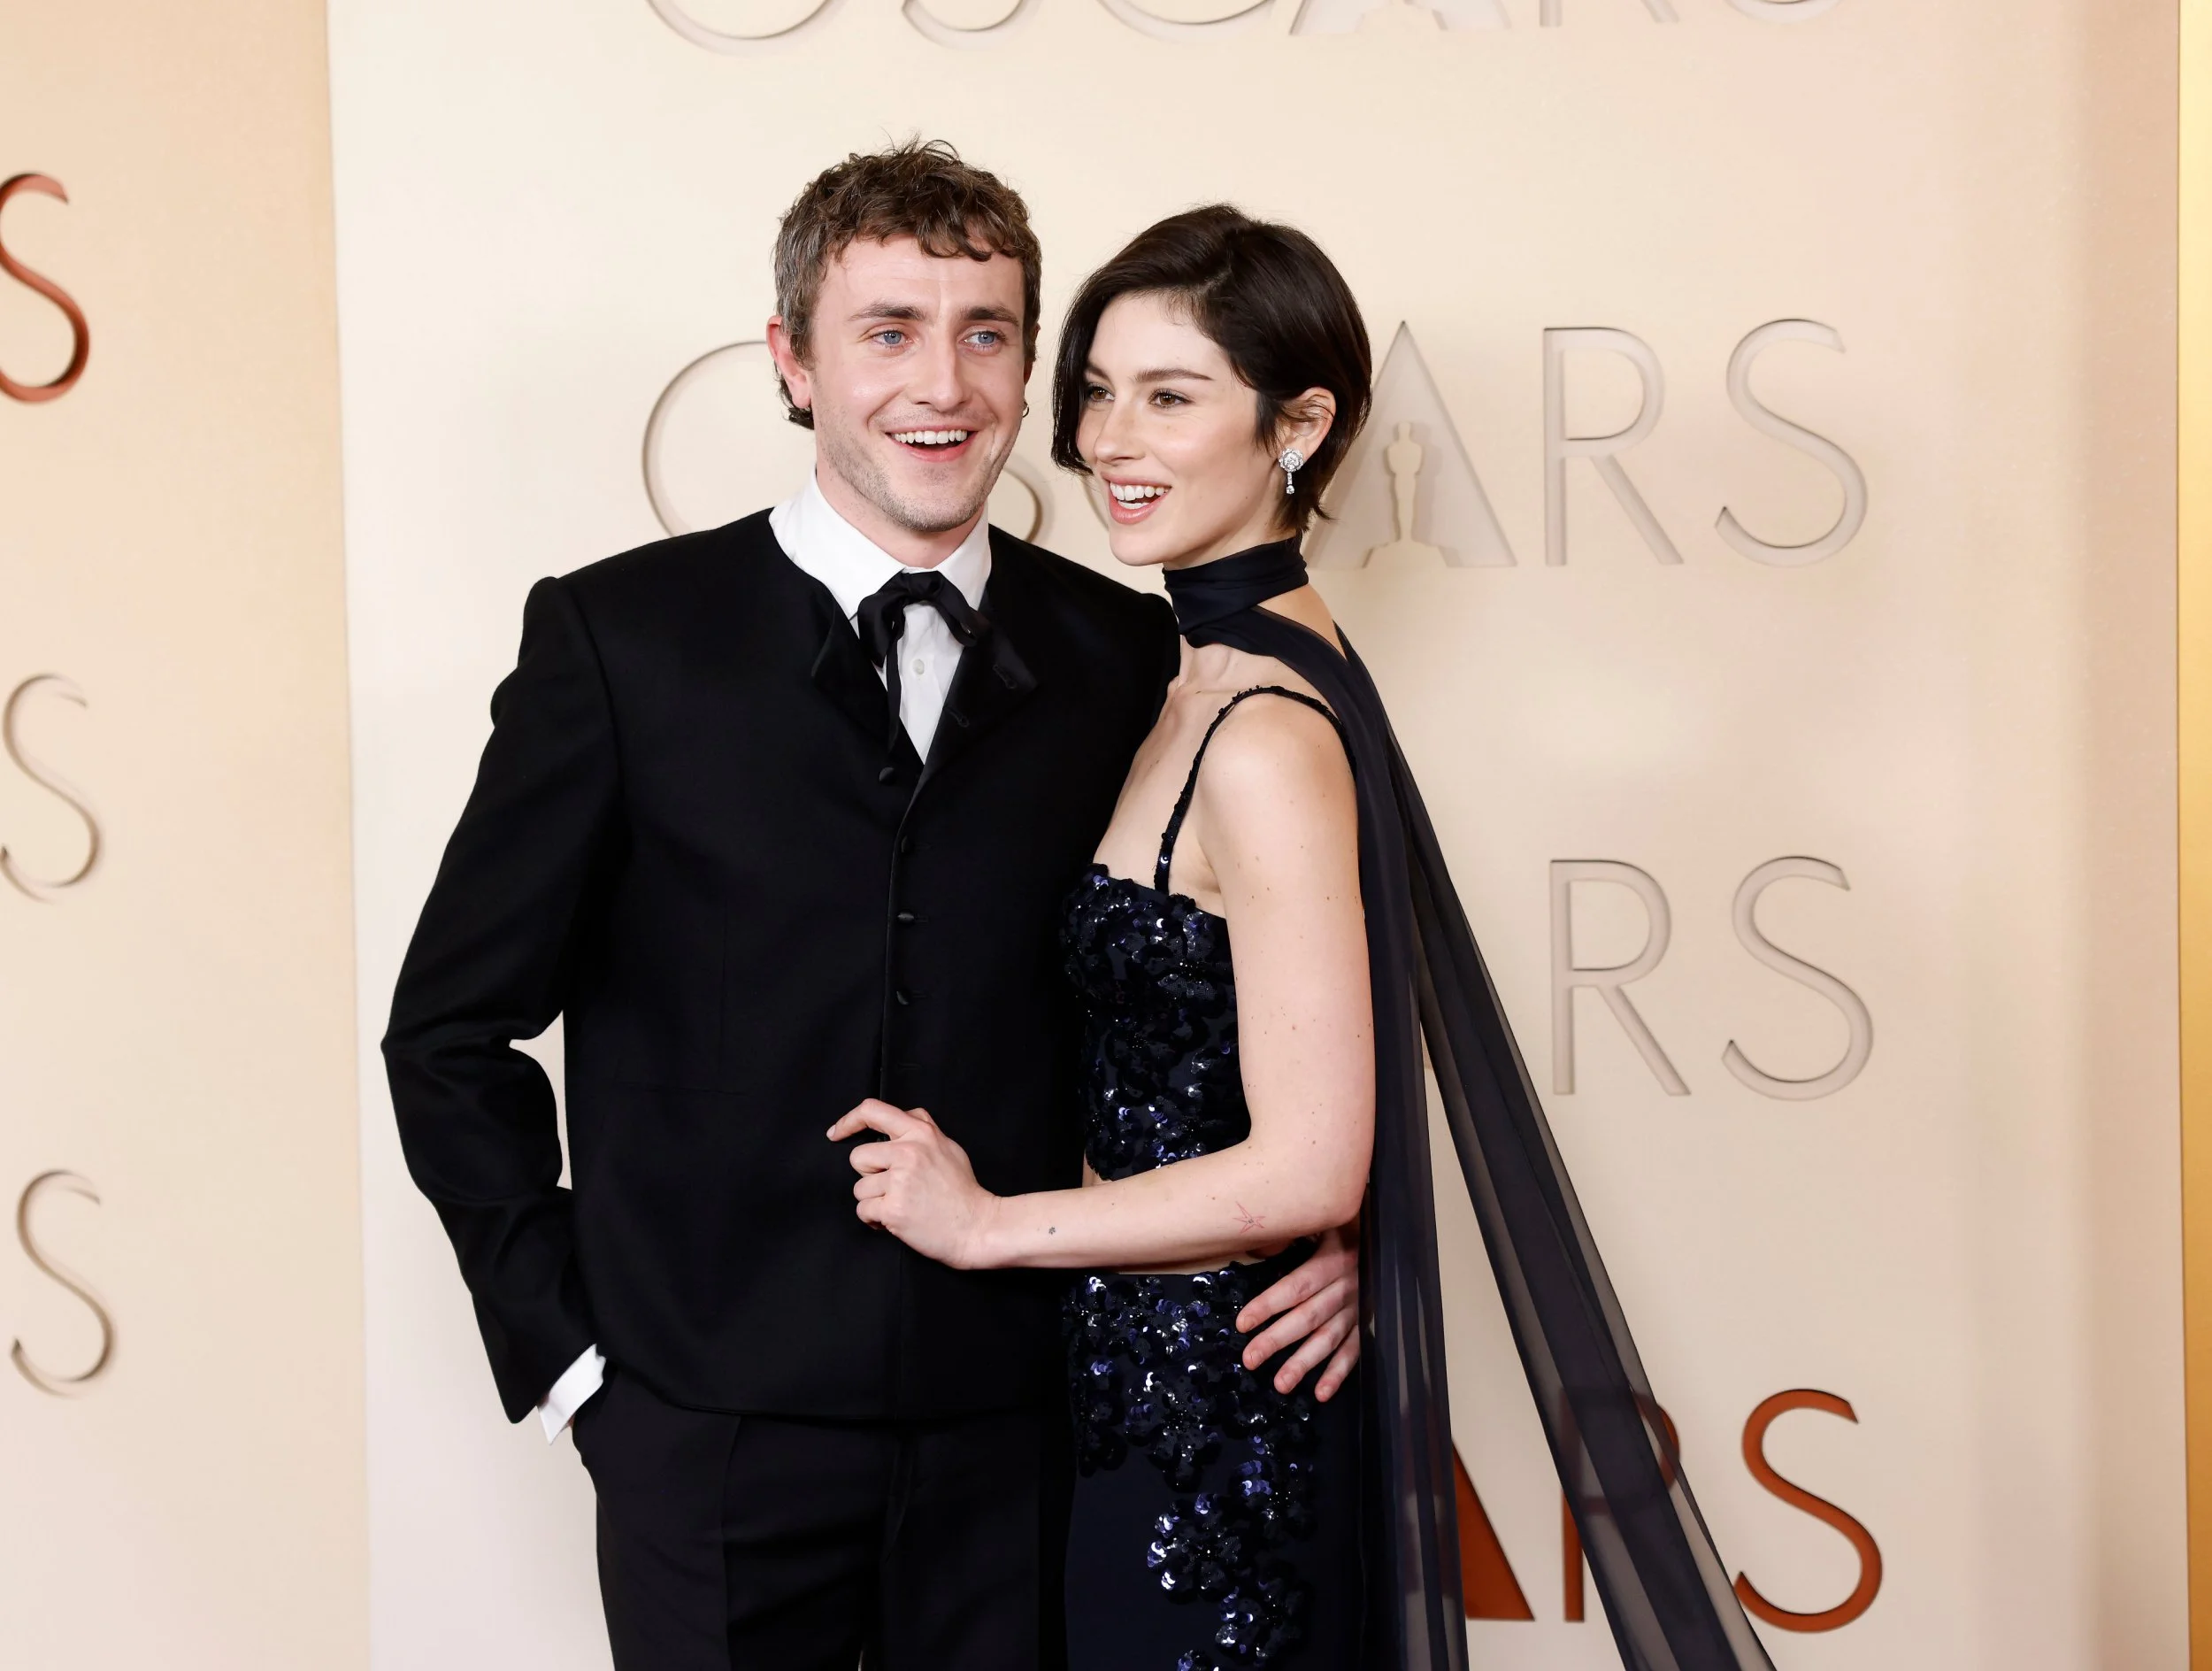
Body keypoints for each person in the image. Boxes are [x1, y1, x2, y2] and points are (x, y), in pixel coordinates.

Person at [381, 144, 1361, 1671]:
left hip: (1032, 1438)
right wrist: (577, 1367)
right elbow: (447, 1033)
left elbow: (1236, 1003)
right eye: (890, 329)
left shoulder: (1126, 654)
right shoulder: (619, 641)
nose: (945, 383)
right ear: (793, 362)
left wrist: (1308, 1231)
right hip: (702, 1443)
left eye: (987, 331)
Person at [833, 208, 1779, 1671]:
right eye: (1094, 389)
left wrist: (990, 1228)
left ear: (1302, 422)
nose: (1106, 441)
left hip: (1221, 1427)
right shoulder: (1192, 671)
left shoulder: (1266, 729)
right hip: (1147, 1393)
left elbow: (1306, 1155)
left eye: (1171, 395)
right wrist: (1333, 1228)